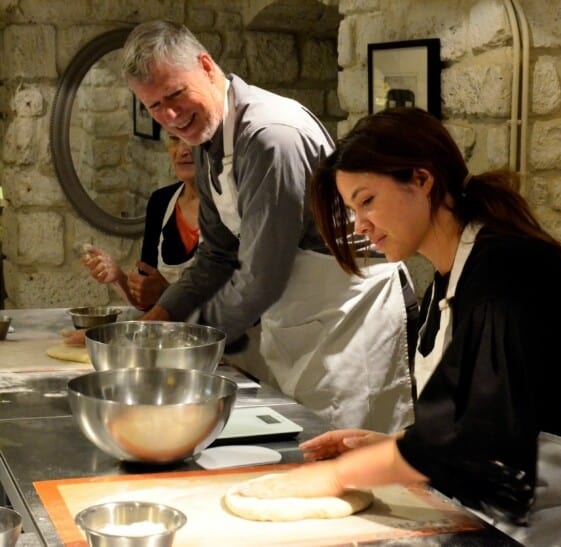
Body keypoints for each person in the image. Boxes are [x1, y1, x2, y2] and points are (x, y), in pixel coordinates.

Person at [235, 107, 561, 546]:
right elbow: (468, 413)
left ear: (423, 181)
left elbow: (478, 435)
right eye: (352, 209)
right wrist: (388, 445)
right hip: (498, 516)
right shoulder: (449, 276)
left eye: (367, 200)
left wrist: (337, 476)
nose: (360, 225)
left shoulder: (503, 272)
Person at [111, 19, 419, 431]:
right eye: (153, 106)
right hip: (301, 316)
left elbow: (262, 277)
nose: (170, 115)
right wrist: (149, 327)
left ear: (205, 65)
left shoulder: (270, 136)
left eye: (176, 94)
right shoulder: (208, 137)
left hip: (354, 315)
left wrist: (185, 344)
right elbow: (216, 255)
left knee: (347, 458)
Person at [80, 135, 199, 310]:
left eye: (191, 141)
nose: (182, 151)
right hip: (167, 335)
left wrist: (166, 291)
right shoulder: (160, 202)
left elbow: (239, 302)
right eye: (174, 140)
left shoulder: (230, 210)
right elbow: (146, 300)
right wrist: (118, 276)